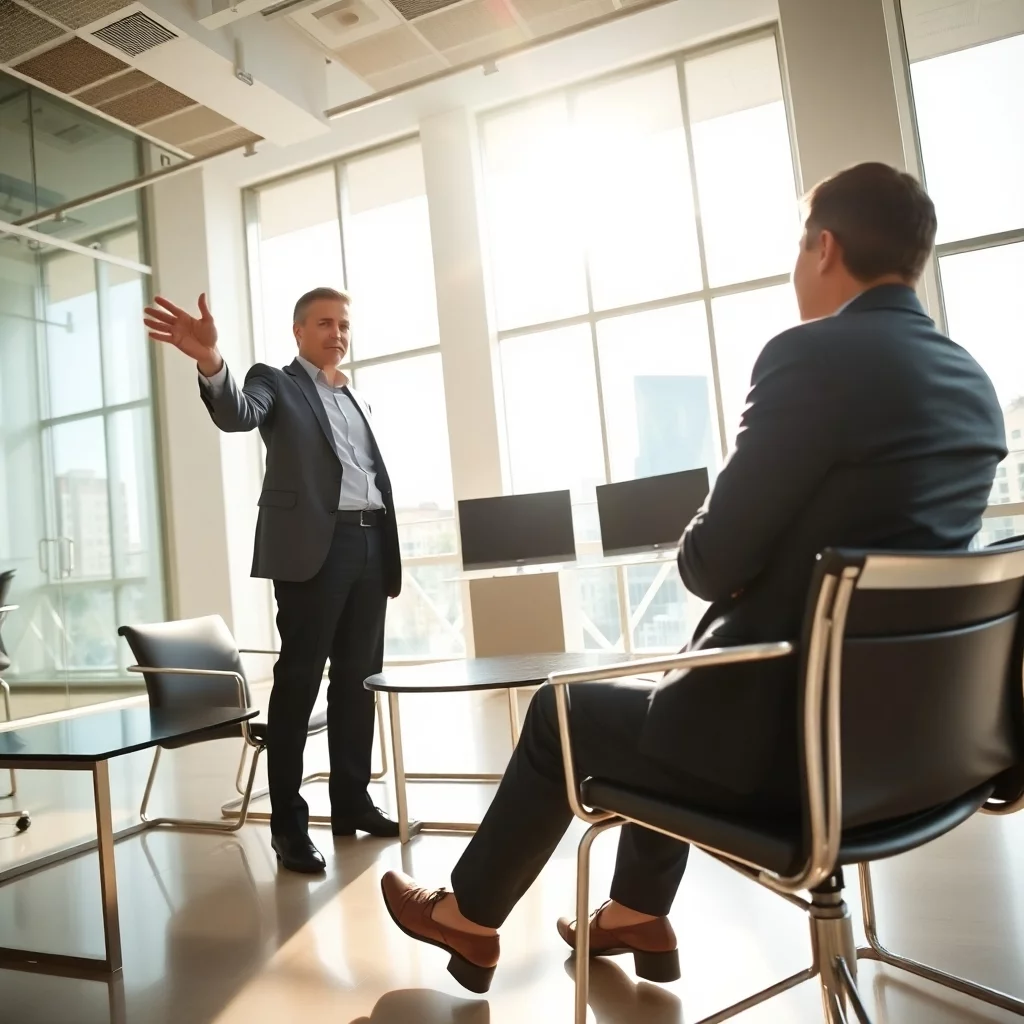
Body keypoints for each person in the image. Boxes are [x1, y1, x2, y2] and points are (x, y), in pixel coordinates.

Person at [377, 163, 1008, 992]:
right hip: (926, 752)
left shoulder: (810, 358)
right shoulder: (974, 385)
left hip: (792, 755)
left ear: (824, 247)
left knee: (563, 711)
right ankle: (638, 909)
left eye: (798, 244)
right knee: (678, 693)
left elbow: (710, 564)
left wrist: (718, 541)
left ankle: (469, 917)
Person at [143, 286, 402, 874]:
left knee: (358, 684)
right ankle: (288, 825)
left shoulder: (351, 396)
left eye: (343, 325)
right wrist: (210, 360)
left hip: (369, 542)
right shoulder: (276, 382)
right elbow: (238, 413)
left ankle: (352, 802)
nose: (336, 334)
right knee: (299, 685)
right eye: (323, 323)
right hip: (316, 550)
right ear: (298, 331)